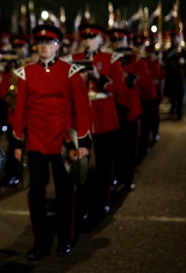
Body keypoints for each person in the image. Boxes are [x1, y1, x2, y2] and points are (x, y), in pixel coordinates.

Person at [11, 24, 92, 260]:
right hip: (36, 139)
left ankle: (65, 238)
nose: (45, 47)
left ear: (58, 46)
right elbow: (20, 111)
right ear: (36, 46)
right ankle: (41, 242)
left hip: (64, 141)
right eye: (41, 43)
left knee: (65, 191)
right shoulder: (26, 72)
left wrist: (83, 142)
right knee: (36, 193)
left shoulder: (71, 72)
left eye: (50, 43)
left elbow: (83, 110)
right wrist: (18, 144)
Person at [67, 23, 126, 227]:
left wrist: (102, 80)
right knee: (81, 164)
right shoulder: (73, 59)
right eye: (84, 38)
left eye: (92, 37)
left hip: (104, 117)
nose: (87, 41)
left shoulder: (111, 58)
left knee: (104, 164)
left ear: (100, 39)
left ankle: (103, 202)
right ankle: (82, 205)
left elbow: (120, 87)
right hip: (82, 118)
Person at [108, 28, 156, 191]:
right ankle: (114, 177)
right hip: (112, 110)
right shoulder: (109, 60)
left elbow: (147, 86)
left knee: (128, 147)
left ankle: (127, 177)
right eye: (114, 42)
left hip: (129, 110)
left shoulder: (136, 60)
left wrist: (132, 80)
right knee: (114, 148)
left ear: (127, 42)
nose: (117, 45)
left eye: (120, 41)